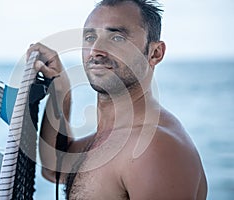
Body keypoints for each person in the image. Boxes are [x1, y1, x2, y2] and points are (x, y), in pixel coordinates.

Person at [27, 0, 207, 199]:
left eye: (117, 38)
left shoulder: (154, 148)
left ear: (155, 53)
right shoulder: (114, 136)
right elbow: (55, 168)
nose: (96, 50)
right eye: (89, 37)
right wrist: (61, 89)